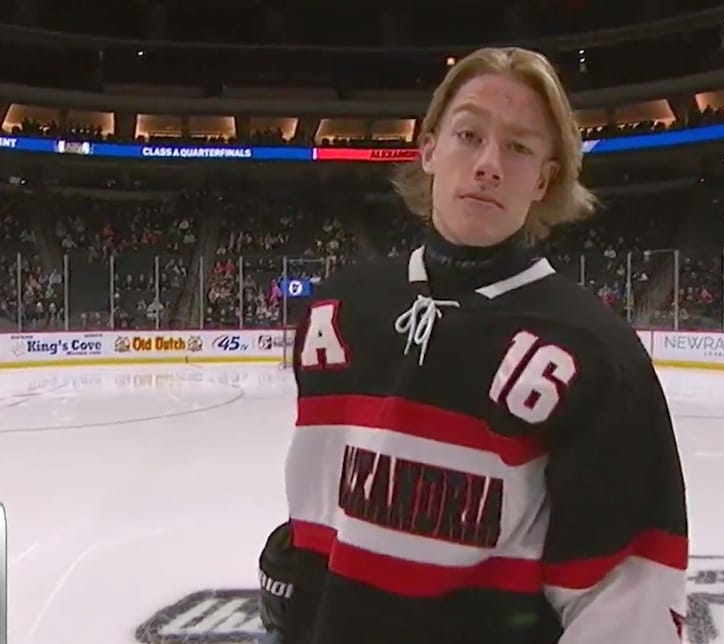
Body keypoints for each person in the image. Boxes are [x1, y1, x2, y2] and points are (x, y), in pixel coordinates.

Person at [259, 46, 689, 644]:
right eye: (468, 134)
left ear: (545, 178)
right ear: (429, 149)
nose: (488, 163)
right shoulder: (340, 311)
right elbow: (326, 510)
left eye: (518, 146)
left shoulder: (596, 353)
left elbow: (626, 599)